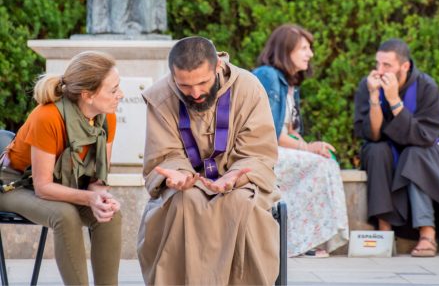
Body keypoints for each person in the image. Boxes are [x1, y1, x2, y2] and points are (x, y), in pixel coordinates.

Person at [137, 36, 281, 284]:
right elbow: (164, 154)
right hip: (186, 185)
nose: (195, 93)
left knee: (240, 203)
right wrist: (179, 175)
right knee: (184, 202)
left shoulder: (249, 88)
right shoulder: (160, 96)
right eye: (184, 86)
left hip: (242, 180)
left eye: (202, 82)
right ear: (173, 76)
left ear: (217, 66)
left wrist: (234, 176)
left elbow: (257, 151)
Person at [0, 51, 124, 284]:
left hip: (64, 185)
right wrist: (89, 199)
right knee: (64, 215)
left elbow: (98, 180)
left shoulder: (107, 117)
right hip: (13, 184)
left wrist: (101, 197)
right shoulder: (48, 117)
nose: (121, 95)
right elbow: (43, 187)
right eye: (114, 90)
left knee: (111, 215)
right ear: (87, 95)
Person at [252, 24, 349, 258]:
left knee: (325, 159)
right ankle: (302, 243)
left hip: (278, 149)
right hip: (262, 153)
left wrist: (311, 147)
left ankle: (304, 240)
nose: (310, 54)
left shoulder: (290, 84)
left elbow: (291, 131)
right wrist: (308, 148)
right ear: (286, 50)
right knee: (320, 164)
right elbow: (270, 132)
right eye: (304, 48)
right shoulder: (268, 76)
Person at [354, 38, 439, 257]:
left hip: (425, 152)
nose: (379, 71)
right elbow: (372, 134)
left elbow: (425, 136)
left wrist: (394, 101)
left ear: (405, 66)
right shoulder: (369, 85)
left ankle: (427, 233)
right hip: (387, 151)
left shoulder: (426, 87)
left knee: (414, 153)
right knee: (375, 150)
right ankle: (384, 233)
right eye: (377, 64)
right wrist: (374, 98)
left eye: (387, 65)